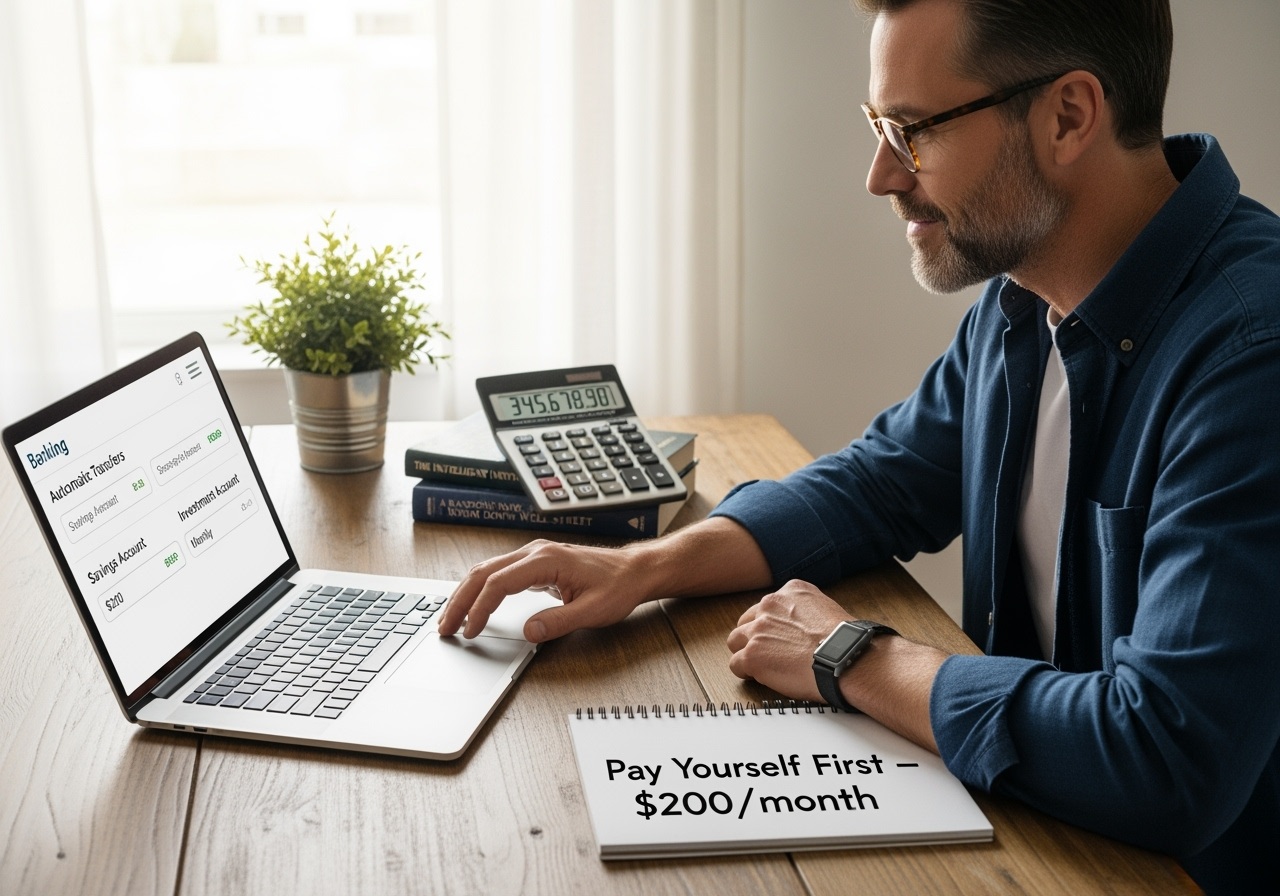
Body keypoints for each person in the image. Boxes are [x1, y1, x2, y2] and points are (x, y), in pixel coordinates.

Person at [438, 1, 1280, 891]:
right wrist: (648, 568)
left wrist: (854, 657)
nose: (881, 175)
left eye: (914, 130)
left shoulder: (1251, 357)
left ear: (1069, 116)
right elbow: (881, 483)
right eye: (880, 126)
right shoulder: (1022, 302)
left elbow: (1167, 758)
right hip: (1041, 835)